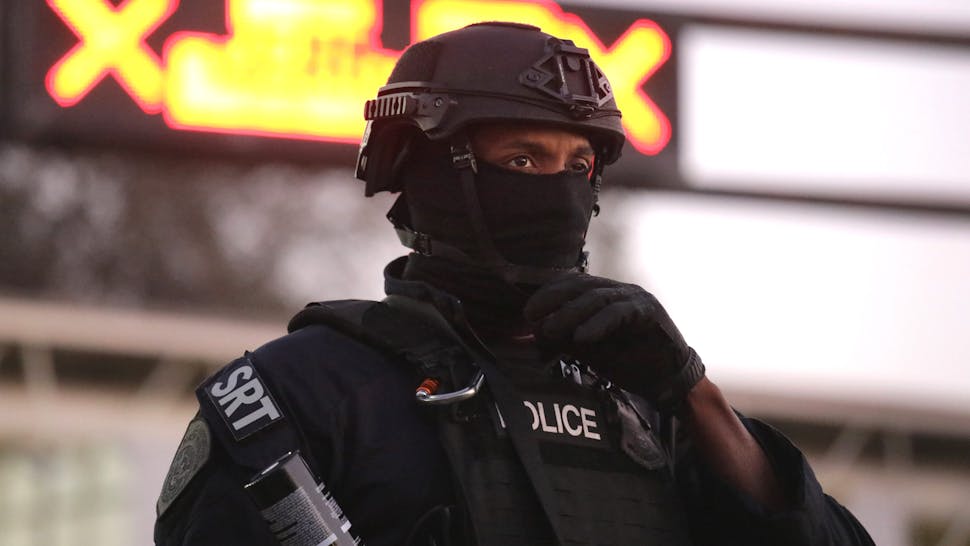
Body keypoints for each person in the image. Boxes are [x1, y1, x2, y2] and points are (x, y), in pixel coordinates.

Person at [154, 22, 874, 546]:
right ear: (427, 174)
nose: (558, 193)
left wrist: (693, 391)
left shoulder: (650, 406)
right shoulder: (298, 393)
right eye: (524, 162)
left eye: (578, 167)